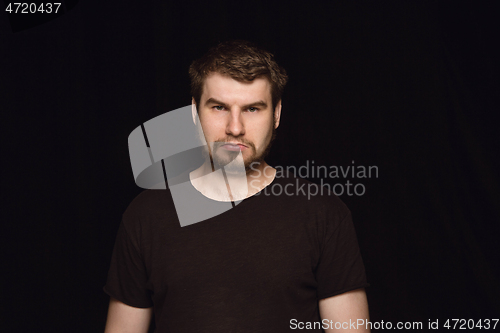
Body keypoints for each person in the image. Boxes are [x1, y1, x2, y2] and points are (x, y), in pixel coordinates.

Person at [103, 40, 370, 332]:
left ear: (277, 114)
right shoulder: (146, 215)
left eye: (252, 109)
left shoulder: (324, 214)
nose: (235, 127)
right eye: (219, 107)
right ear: (194, 112)